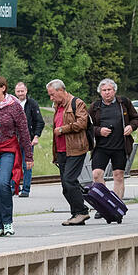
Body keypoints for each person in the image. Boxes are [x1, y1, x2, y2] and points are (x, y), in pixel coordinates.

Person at [0, 76, 32, 237]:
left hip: (8, 150)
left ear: (3, 88)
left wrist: (29, 156)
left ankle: (7, 223)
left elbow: (24, 131)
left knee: (2, 184)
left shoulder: (14, 107)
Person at [88, 79, 138, 212]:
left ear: (114, 91)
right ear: (100, 92)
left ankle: (117, 206)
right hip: (101, 147)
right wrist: (99, 131)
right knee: (96, 174)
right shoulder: (95, 106)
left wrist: (131, 126)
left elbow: (136, 118)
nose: (107, 93)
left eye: (109, 90)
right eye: (104, 90)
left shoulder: (123, 103)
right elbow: (87, 126)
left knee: (118, 175)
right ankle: (104, 203)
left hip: (120, 146)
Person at [47, 79, 91, 226]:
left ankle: (82, 212)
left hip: (76, 148)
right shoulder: (57, 106)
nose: (51, 98)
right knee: (66, 186)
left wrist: (62, 129)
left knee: (69, 180)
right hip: (61, 150)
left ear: (61, 90)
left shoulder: (77, 103)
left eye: (52, 94)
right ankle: (76, 214)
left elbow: (82, 123)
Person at [15, 81, 45, 197]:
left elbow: (39, 122)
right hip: (14, 140)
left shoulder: (32, 104)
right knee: (14, 164)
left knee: (27, 165)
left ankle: (26, 190)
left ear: (26, 91)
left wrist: (36, 136)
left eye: (22, 91)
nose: (20, 93)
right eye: (18, 91)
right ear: (15, 92)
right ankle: (15, 187)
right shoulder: (13, 103)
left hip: (28, 139)